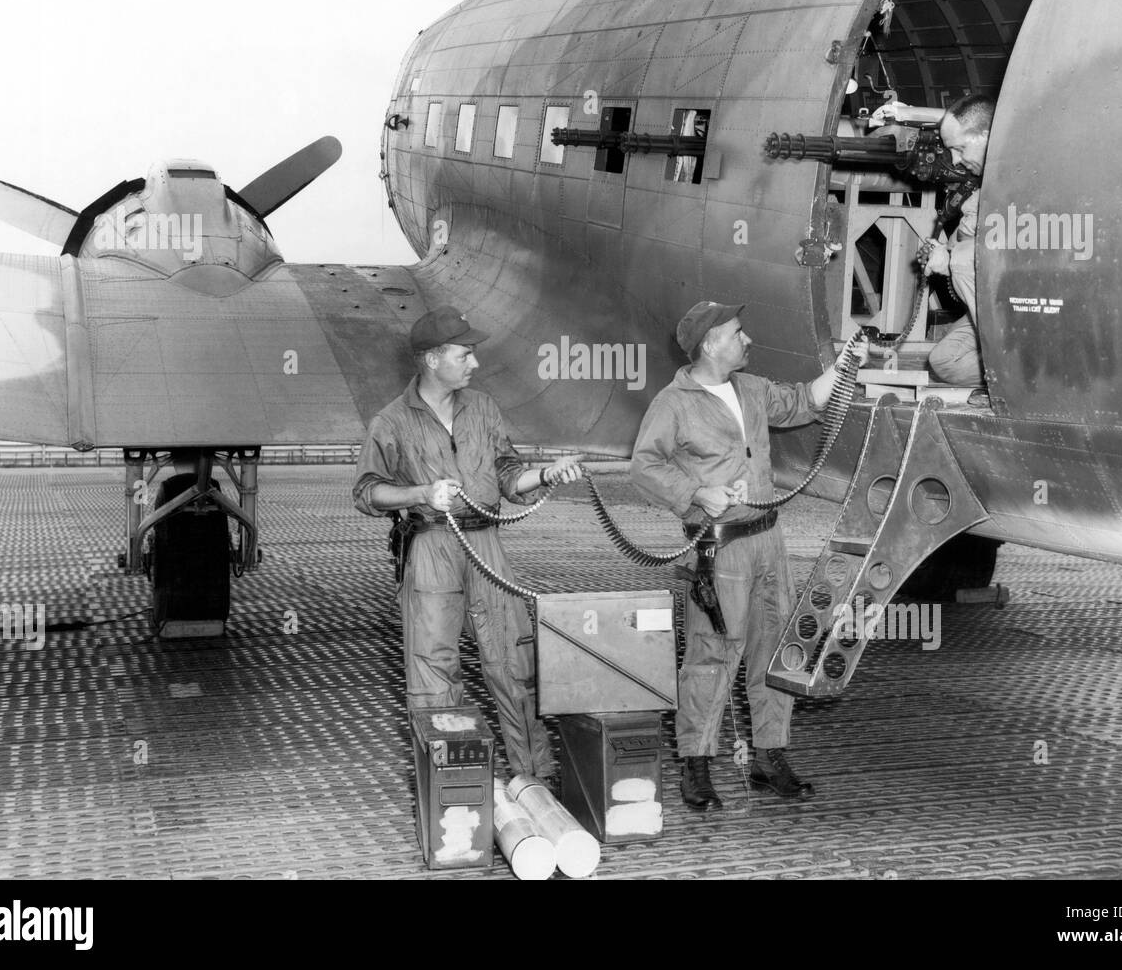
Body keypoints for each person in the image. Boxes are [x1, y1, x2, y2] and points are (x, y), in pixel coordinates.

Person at [631, 301, 867, 810]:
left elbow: (805, 402)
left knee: (777, 649)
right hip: (721, 548)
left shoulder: (751, 388)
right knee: (712, 656)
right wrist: (697, 492)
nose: (748, 339)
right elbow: (645, 466)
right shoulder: (674, 404)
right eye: (738, 333)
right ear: (711, 343)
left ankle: (769, 756)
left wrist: (845, 363)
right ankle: (696, 765)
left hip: (767, 540)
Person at [352, 305, 583, 782]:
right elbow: (367, 491)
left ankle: (533, 780)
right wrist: (421, 494)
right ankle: (453, 788)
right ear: (433, 359)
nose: (474, 363)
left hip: (485, 542)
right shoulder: (390, 422)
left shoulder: (482, 407)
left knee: (513, 661)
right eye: (465, 354)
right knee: (434, 670)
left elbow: (506, 473)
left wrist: (545, 473)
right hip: (431, 546)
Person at [924, 93, 996, 386]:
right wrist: (943, 254)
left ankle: (1013, 371)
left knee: (966, 261)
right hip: (995, 309)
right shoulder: (980, 192)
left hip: (1033, 305)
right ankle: (1003, 372)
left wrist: (954, 259)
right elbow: (962, 241)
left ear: (986, 136)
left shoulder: (1021, 173)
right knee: (943, 361)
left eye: (960, 148)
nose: (955, 160)